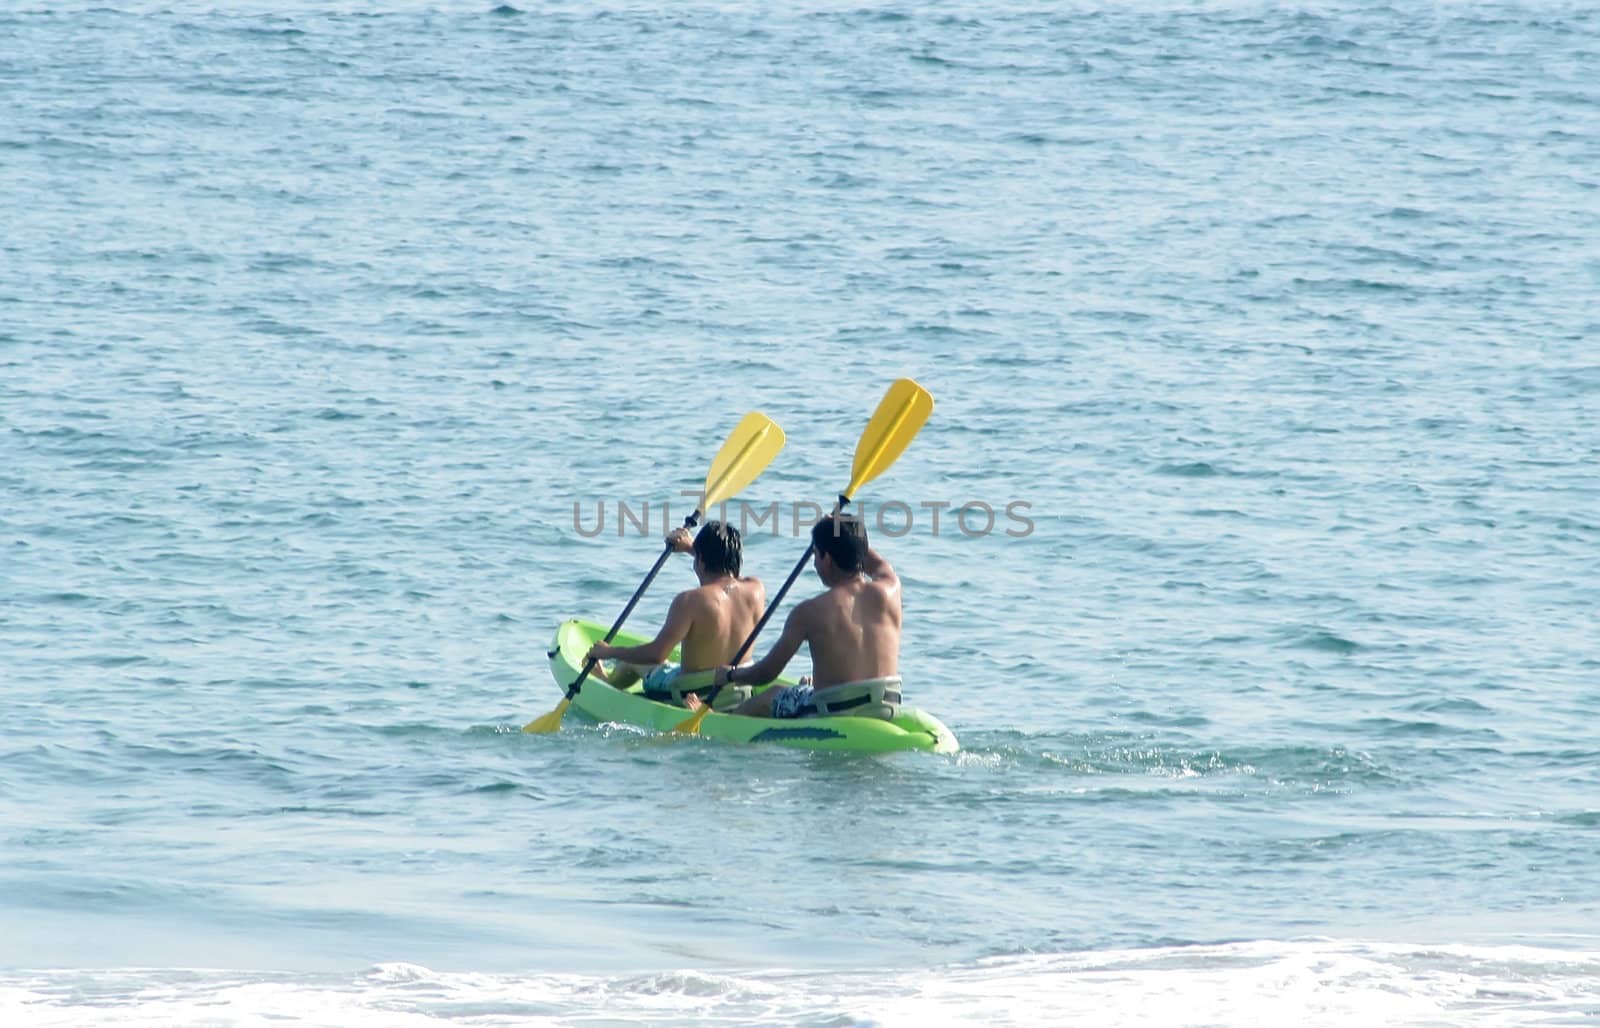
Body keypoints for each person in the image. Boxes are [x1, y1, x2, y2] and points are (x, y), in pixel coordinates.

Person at [686, 513, 901, 719]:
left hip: (833, 709)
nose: (815, 563)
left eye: (816, 554)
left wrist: (731, 675)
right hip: (886, 702)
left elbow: (766, 672)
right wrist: (844, 534)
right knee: (802, 686)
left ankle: (719, 721)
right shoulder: (891, 588)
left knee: (772, 694)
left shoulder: (809, 611)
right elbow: (872, 559)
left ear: (826, 559)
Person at [584, 521, 764, 705]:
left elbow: (656, 655)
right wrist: (692, 548)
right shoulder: (756, 590)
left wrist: (610, 652)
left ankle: (606, 682)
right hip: (737, 688)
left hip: (691, 693)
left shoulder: (689, 601)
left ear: (700, 560)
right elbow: (726, 572)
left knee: (632, 662)